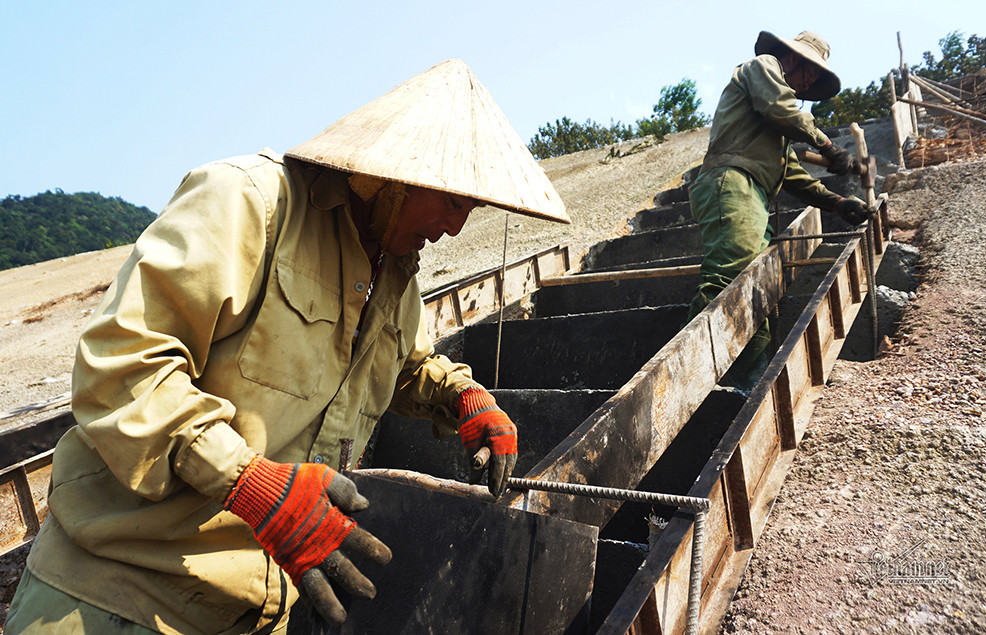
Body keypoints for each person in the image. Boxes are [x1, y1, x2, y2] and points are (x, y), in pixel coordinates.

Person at [5, 59, 570, 635]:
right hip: (121, 595)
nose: (456, 227)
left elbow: (400, 365)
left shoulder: (396, 274)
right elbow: (122, 365)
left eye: (471, 210)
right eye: (453, 203)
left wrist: (464, 397)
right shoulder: (249, 202)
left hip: (262, 608)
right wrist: (249, 483)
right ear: (399, 177)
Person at [686, 30, 871, 390]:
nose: (809, 82)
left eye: (816, 78)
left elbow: (793, 175)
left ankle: (747, 383)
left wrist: (837, 202)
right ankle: (695, 379)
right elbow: (783, 109)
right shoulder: (763, 68)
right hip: (733, 183)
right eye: (809, 73)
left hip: (751, 195)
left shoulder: (777, 126)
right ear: (793, 59)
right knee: (730, 280)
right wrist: (828, 145)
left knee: (755, 288)